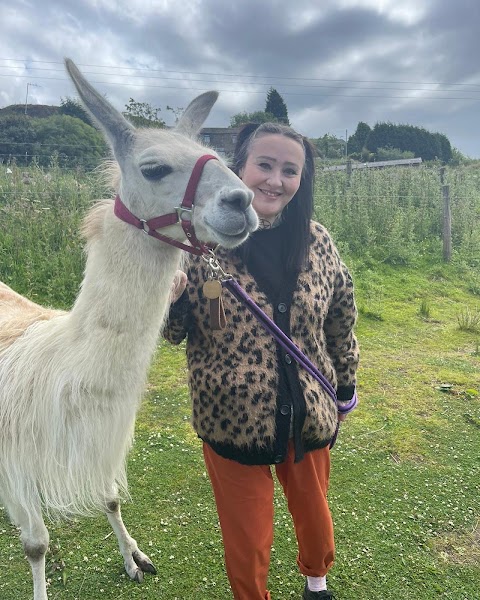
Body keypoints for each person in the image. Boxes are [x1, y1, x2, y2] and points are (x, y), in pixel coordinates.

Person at [164, 122, 359, 600]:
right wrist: (169, 301)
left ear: (301, 181)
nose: (274, 180)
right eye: (264, 165)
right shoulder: (202, 245)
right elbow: (176, 334)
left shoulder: (318, 242)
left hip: (309, 413)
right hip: (231, 420)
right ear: (240, 169)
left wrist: (346, 388)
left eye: (289, 170)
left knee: (314, 515)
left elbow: (341, 319)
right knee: (246, 536)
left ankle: (317, 581)